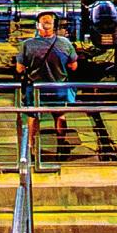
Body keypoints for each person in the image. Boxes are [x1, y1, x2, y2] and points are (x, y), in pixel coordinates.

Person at [15, 11, 78, 147]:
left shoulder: (27, 45)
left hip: (35, 89)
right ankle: (61, 144)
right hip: (58, 88)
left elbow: (19, 69)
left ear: (38, 26)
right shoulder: (65, 43)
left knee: (32, 116)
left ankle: (31, 146)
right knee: (60, 115)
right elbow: (73, 66)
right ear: (54, 26)